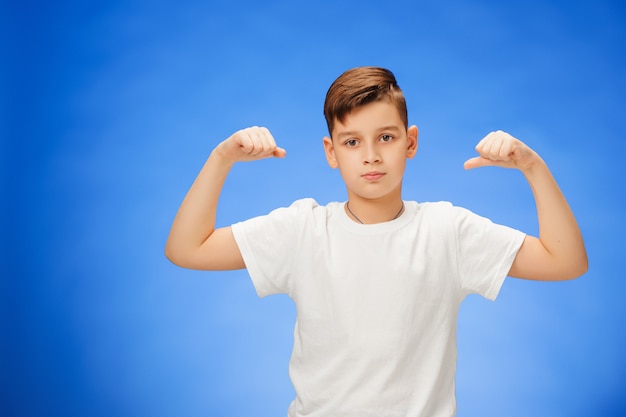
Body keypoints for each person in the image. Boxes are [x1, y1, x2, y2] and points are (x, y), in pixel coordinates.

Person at [165, 66, 588, 417]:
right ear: (331, 152)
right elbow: (187, 248)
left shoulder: (447, 231)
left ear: (411, 142)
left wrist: (533, 167)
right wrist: (221, 159)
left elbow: (565, 261)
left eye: (386, 137)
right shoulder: (302, 231)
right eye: (352, 142)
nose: (370, 155)